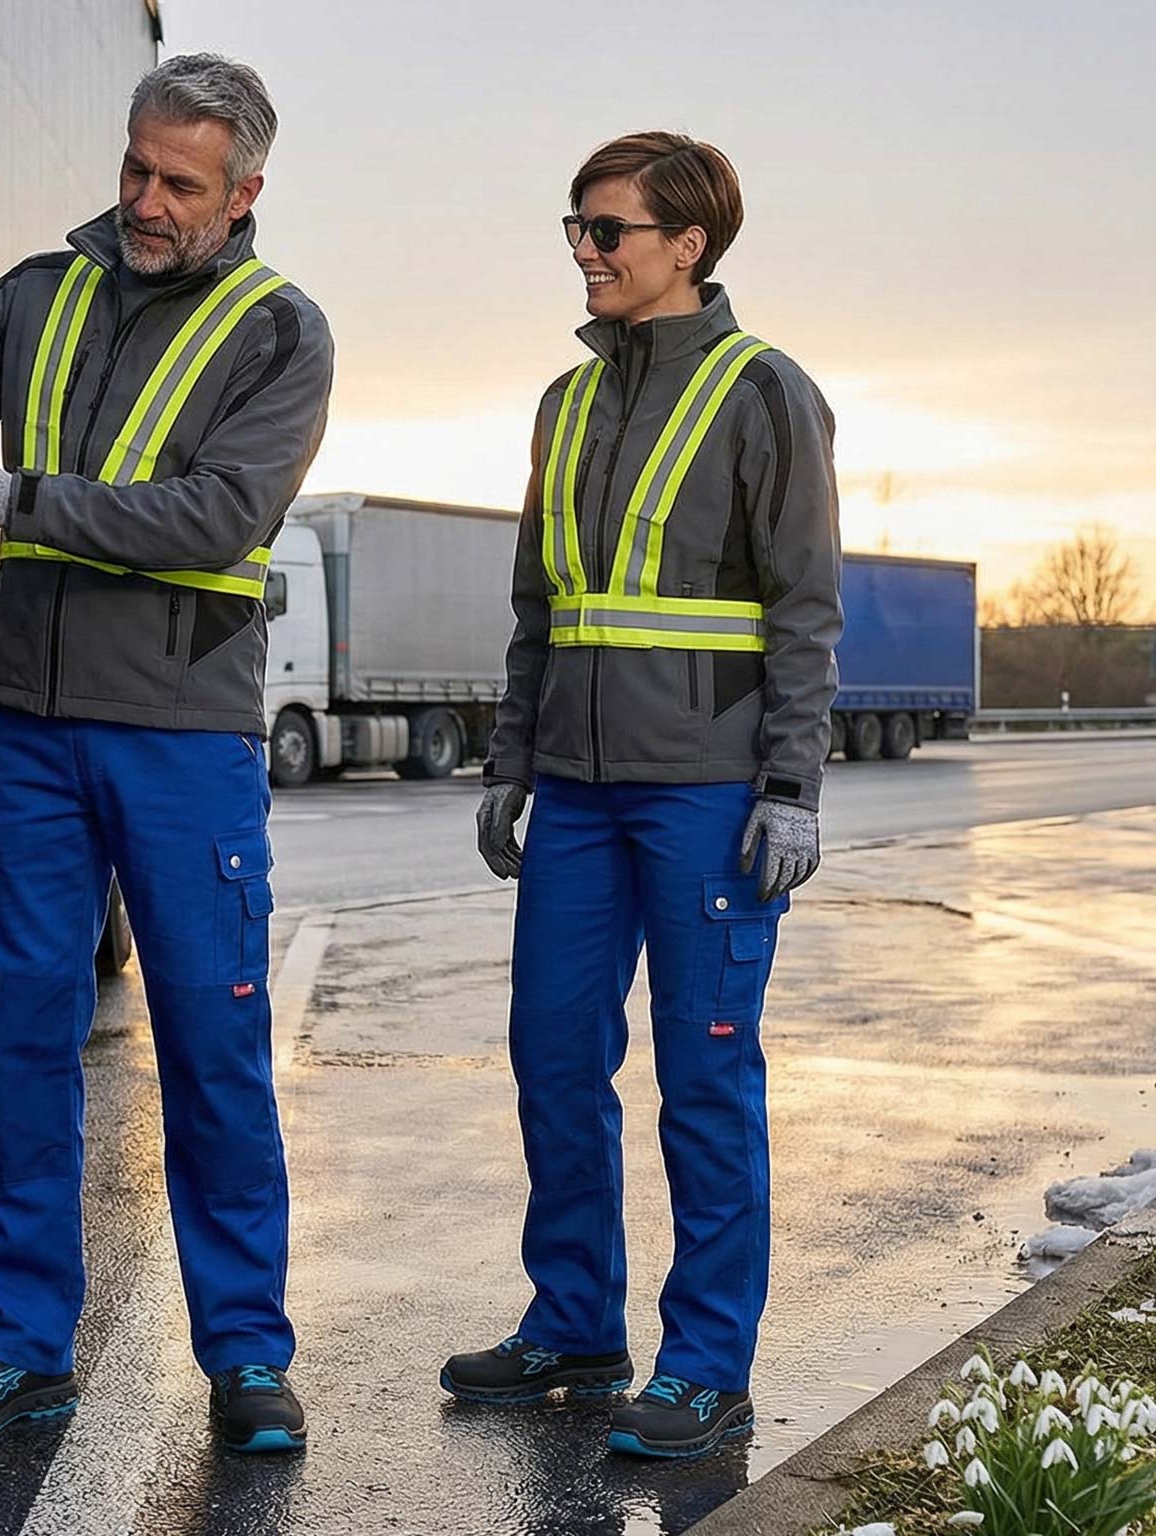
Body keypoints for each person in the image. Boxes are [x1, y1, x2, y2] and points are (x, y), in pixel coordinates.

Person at [0, 53, 333, 1453]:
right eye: (136, 170)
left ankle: (246, 1356)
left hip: (182, 740)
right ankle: (18, 1348)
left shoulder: (282, 334)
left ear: (244, 193)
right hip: (32, 731)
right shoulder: (43, 292)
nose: (147, 201)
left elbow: (215, 515)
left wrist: (20, 499)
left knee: (212, 1047)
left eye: (180, 185)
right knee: (23, 1040)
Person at [442, 131, 841, 1461]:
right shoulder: (564, 404)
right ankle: (572, 1325)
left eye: (608, 229)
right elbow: (540, 609)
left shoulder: (763, 391)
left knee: (705, 1077)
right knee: (554, 1056)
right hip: (575, 793)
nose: (586, 250)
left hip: (705, 798)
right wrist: (511, 761)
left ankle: (706, 1365)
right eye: (575, 226)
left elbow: (803, 610)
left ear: (688, 244)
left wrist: (791, 785)